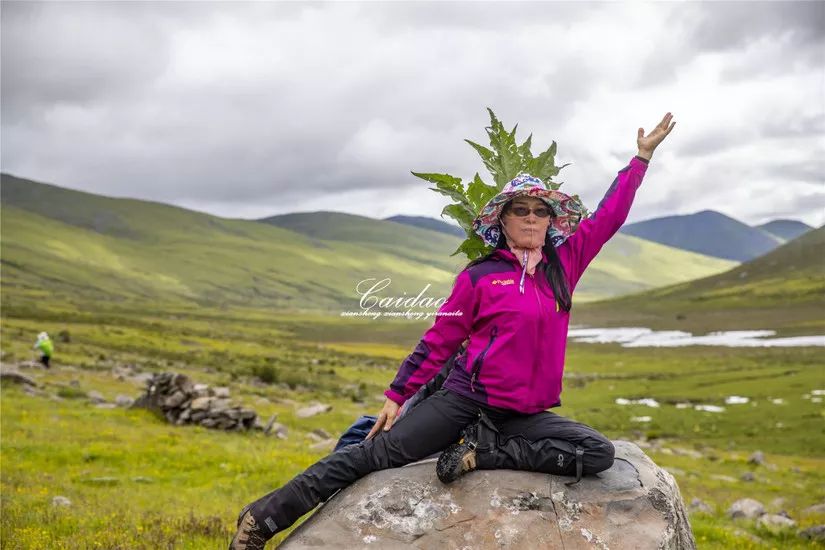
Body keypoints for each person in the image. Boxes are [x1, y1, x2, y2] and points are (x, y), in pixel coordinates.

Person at [229, 113, 676, 549]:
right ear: (502, 220)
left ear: (550, 220)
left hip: (523, 415)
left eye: (540, 211)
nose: (532, 218)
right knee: (372, 455)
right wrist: (397, 395)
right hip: (465, 401)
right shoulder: (480, 276)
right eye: (520, 210)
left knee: (598, 454)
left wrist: (640, 160)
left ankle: (482, 454)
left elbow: (608, 217)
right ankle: (261, 519)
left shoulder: (563, 267)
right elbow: (439, 339)